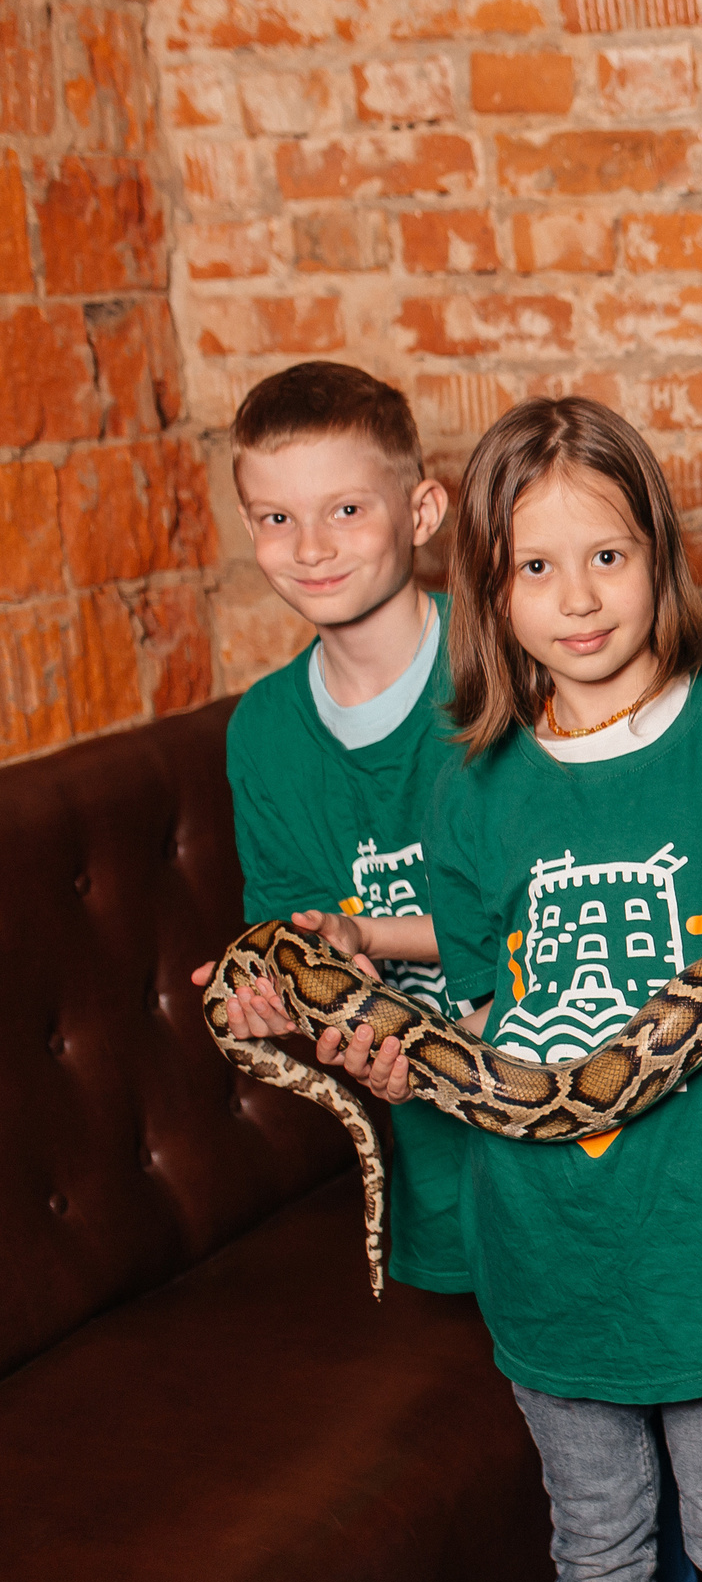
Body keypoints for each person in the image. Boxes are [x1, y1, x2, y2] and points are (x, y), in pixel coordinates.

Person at [334, 396, 702, 1582]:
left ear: (659, 557)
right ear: (491, 585)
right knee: (595, 1551)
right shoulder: (466, 770)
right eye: (536, 567)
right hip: (547, 1237)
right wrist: (407, 1060)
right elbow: (478, 1009)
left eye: (606, 557)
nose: (578, 600)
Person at [190, 361, 474, 1297]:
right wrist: (272, 995)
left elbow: (551, 918)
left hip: (605, 1163)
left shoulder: (509, 672)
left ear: (423, 510)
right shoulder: (265, 734)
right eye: (277, 518)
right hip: (441, 1173)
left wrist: (364, 937)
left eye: (347, 510)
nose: (310, 546)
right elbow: (303, 949)